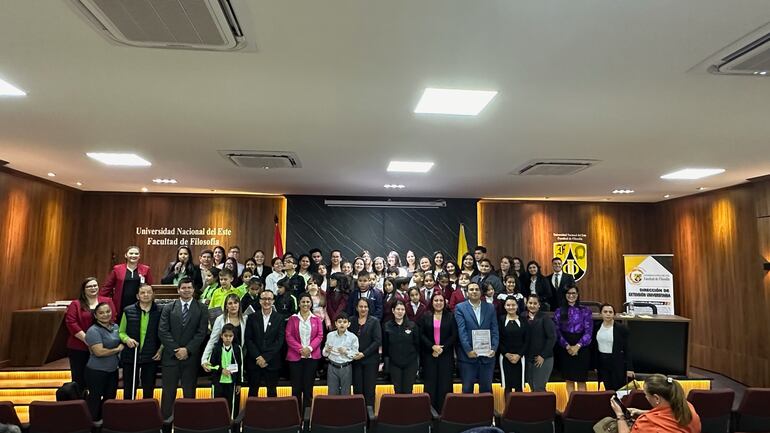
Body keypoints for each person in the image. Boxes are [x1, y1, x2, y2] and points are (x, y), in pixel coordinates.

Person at [158, 278, 208, 420]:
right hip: (170, 357)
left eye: (189, 288)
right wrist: (176, 350)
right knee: (168, 393)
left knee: (189, 393)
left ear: (193, 290)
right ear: (178, 290)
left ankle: (188, 422)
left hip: (190, 358)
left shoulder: (201, 308)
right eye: (183, 288)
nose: (186, 290)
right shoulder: (168, 308)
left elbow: (201, 333)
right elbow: (163, 331)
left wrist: (187, 350)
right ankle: (166, 424)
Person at [65, 277, 116, 389]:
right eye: (89, 286)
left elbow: (112, 319)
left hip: (103, 347)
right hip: (79, 347)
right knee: (79, 379)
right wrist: (89, 341)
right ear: (83, 289)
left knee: (100, 380)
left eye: (95, 285)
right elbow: (71, 323)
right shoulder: (76, 304)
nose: (93, 288)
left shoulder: (107, 301)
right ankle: (80, 404)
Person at [610, 374, 701, 433]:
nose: (645, 397)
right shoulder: (688, 407)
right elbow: (667, 415)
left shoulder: (647, 422)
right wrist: (642, 412)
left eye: (646, 394)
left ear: (656, 398)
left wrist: (620, 415)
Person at [118, 284, 161, 400]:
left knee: (148, 389)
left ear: (153, 295)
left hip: (151, 356)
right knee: (129, 389)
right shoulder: (128, 310)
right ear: (137, 296)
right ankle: (129, 412)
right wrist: (127, 339)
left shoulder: (160, 311)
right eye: (142, 293)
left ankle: (147, 413)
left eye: (149, 292)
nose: (146, 295)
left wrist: (161, 349)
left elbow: (165, 333)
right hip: (131, 355)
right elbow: (121, 332)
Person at [454, 281, 499, 393]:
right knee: (467, 389)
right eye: (471, 289)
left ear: (481, 292)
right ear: (467, 292)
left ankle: (486, 411)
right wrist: (468, 350)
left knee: (486, 390)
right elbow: (462, 331)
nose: (474, 291)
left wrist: (494, 348)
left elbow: (495, 330)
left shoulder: (490, 307)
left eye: (477, 289)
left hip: (487, 356)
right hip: (468, 356)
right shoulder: (460, 308)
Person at [84, 302, 123, 420]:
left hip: (112, 371)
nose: (105, 315)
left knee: (110, 400)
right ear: (95, 315)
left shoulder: (116, 327)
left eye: (108, 311)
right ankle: (92, 425)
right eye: (101, 313)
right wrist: (117, 349)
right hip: (96, 372)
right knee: (95, 399)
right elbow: (99, 352)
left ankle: (106, 424)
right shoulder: (93, 331)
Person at [418, 292, 457, 411]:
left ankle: (445, 413)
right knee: (430, 384)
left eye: (441, 300)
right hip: (430, 355)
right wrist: (432, 347)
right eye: (436, 300)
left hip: (445, 355)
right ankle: (430, 412)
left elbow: (454, 335)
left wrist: (441, 348)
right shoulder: (426, 316)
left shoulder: (450, 316)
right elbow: (421, 334)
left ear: (444, 302)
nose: (438, 303)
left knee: (445, 385)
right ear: (432, 302)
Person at [285, 293, 324, 408]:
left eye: (308, 302)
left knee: (308, 389)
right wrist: (301, 349)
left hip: (312, 358)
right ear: (299, 303)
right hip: (295, 357)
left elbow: (320, 336)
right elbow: (288, 336)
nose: (305, 304)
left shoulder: (316, 319)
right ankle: (295, 418)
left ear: (311, 304)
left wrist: (310, 349)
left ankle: (306, 418)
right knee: (296, 389)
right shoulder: (293, 319)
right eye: (303, 302)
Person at [244, 289, 285, 397]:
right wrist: (258, 357)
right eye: (264, 299)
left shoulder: (279, 318)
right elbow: (248, 339)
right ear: (260, 301)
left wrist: (265, 357)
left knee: (272, 392)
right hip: (254, 361)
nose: (266, 301)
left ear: (273, 301)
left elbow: (279, 341)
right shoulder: (252, 317)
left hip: (272, 362)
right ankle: (251, 414)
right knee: (252, 392)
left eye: (269, 299)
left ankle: (271, 414)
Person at [554, 284, 593, 394]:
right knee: (569, 380)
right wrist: (567, 346)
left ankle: (581, 408)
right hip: (565, 347)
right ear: (565, 295)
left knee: (581, 381)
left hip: (582, 347)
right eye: (569, 293)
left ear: (577, 295)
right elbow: (557, 332)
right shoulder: (559, 311)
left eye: (573, 293)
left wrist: (578, 346)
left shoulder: (585, 310)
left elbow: (589, 331)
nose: (571, 296)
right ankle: (571, 407)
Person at [101, 246, 153, 317]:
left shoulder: (146, 269)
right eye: (131, 253)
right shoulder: (117, 269)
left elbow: (150, 287)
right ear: (126, 255)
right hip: (120, 304)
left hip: (140, 304)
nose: (133, 256)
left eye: (136, 254)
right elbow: (107, 287)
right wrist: (99, 299)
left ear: (139, 256)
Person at [205, 323, 244, 418]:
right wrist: (221, 370)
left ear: (234, 337)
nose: (228, 338)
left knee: (232, 407)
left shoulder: (237, 349)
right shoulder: (216, 348)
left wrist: (239, 383)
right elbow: (210, 365)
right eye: (226, 336)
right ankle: (217, 426)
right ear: (221, 336)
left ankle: (231, 427)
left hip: (232, 383)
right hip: (218, 383)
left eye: (230, 336)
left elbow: (240, 366)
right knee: (216, 406)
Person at [349, 298, 382, 407]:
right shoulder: (351, 321)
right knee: (357, 391)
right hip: (355, 361)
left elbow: (377, 341)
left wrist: (363, 354)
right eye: (361, 306)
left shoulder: (374, 321)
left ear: (369, 308)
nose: (363, 309)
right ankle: (359, 418)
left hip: (370, 361)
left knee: (369, 391)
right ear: (356, 308)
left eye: (365, 307)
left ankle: (370, 421)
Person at [593, 303, 634, 391]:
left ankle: (618, 404)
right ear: (601, 314)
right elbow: (594, 347)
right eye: (605, 312)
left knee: (618, 389)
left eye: (610, 312)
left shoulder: (621, 329)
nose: (608, 314)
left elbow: (627, 349)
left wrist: (629, 369)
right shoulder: (596, 327)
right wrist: (595, 365)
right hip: (602, 362)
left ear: (614, 314)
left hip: (617, 362)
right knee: (608, 388)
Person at [383, 300, 420, 394]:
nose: (400, 312)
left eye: (402, 309)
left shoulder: (412, 325)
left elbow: (417, 345)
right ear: (393, 310)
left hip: (410, 364)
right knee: (398, 391)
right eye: (398, 309)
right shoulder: (387, 326)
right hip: (394, 364)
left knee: (408, 391)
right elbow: (385, 347)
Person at [203, 294, 247, 370]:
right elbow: (213, 340)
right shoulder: (220, 319)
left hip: (241, 357)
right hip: (223, 358)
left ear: (239, 304)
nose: (233, 306)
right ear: (226, 306)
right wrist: (204, 359)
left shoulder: (245, 319)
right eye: (230, 303)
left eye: (235, 303)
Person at [523, 295, 555, 392]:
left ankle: (546, 407)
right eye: (530, 303)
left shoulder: (545, 318)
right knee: (532, 385)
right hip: (528, 358)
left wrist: (543, 355)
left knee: (539, 387)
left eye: (535, 303)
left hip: (543, 358)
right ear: (526, 304)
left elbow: (552, 338)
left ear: (539, 305)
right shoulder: (522, 316)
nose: (532, 305)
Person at [323, 312, 359, 395]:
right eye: (339, 322)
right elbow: (324, 354)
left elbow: (355, 354)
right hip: (332, 367)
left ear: (349, 324)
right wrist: (327, 350)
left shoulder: (353, 337)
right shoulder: (330, 335)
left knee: (346, 393)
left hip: (346, 367)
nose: (342, 324)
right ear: (335, 323)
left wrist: (346, 352)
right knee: (332, 393)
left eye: (344, 322)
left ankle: (345, 408)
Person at [498, 296, 529, 394]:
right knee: (507, 387)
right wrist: (506, 354)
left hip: (520, 358)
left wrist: (519, 355)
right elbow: (497, 339)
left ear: (517, 306)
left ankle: (518, 409)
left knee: (519, 387)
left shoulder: (523, 320)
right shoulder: (500, 320)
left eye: (513, 305)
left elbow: (527, 340)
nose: (511, 307)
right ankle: (507, 409)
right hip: (505, 357)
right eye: (508, 305)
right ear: (505, 306)